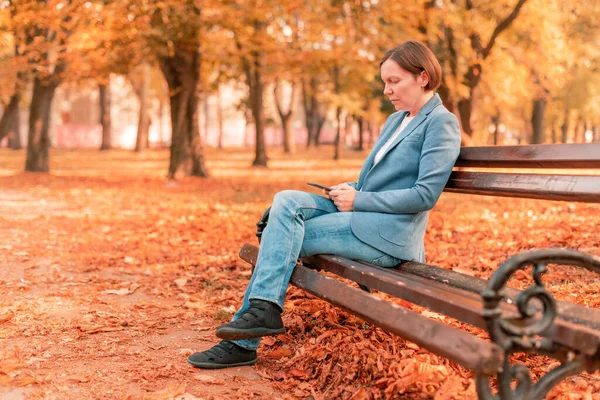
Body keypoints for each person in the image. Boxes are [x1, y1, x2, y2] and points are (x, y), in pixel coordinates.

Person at [187, 40, 461, 369]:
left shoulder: (440, 123)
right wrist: (352, 188)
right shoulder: (396, 120)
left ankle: (244, 341)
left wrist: (359, 198)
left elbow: (424, 195)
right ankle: (263, 311)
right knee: (285, 201)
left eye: (394, 81)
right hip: (363, 215)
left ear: (423, 77)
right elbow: (382, 181)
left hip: (388, 234)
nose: (386, 90)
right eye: (384, 81)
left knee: (280, 234)